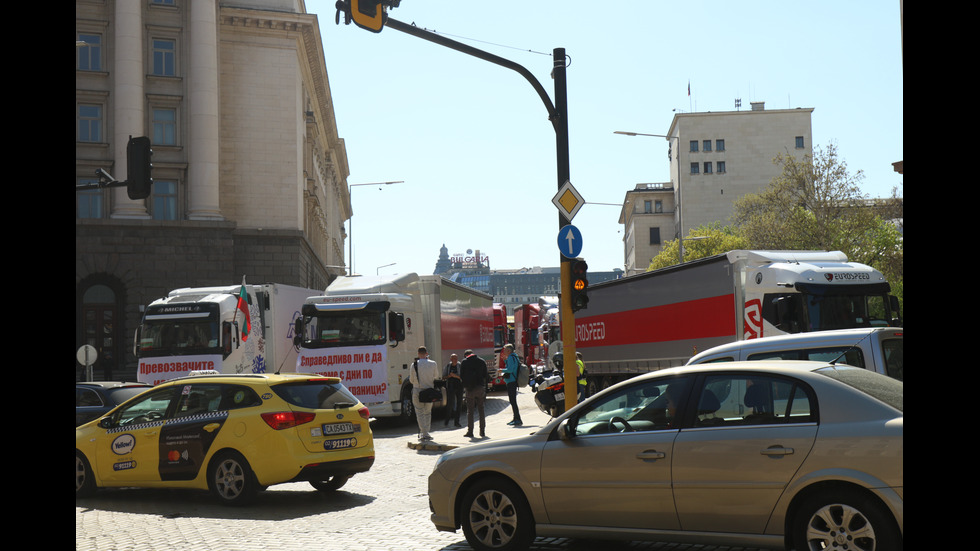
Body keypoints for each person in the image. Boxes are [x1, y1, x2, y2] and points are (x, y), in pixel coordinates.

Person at [410, 346, 439, 441]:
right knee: (427, 412)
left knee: (419, 412)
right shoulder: (433, 363)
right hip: (429, 390)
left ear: (418, 354)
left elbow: (411, 380)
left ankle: (424, 433)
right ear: (426, 353)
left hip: (418, 390)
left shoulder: (414, 365)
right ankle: (427, 431)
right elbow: (436, 376)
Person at [459, 349, 487, 438]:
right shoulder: (482, 361)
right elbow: (485, 375)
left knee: (470, 411)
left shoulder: (464, 362)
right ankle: (482, 431)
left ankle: (470, 431)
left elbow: (461, 376)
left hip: (469, 389)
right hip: (480, 388)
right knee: (481, 410)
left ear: (466, 355)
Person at [501, 344, 523, 426]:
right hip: (514, 381)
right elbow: (513, 367)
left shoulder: (510, 357)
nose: (504, 352)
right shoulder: (515, 356)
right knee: (513, 401)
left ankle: (517, 419)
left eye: (505, 350)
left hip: (511, 381)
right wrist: (505, 361)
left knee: (513, 401)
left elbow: (510, 370)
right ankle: (516, 418)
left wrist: (501, 370)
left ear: (509, 351)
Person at [443, 353, 463, 427]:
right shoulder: (448, 366)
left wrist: (455, 376)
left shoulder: (460, 366)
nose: (455, 360)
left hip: (459, 386)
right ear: (450, 359)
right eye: (453, 359)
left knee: (459, 404)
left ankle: (457, 422)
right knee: (450, 404)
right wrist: (448, 376)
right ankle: (447, 420)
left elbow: (462, 377)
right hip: (451, 386)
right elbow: (443, 377)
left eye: (456, 358)